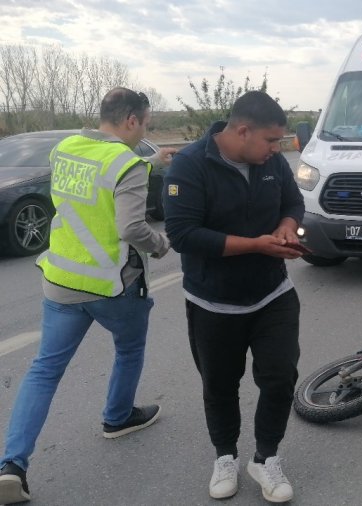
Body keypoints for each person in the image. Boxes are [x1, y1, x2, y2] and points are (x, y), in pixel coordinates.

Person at [0, 87, 173, 504]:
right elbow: (131, 227)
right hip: (112, 286)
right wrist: (160, 244)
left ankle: (11, 467)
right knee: (129, 349)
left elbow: (102, 172)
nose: (144, 130)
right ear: (132, 120)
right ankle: (117, 417)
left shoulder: (66, 148)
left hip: (60, 280)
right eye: (145, 123)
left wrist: (151, 162)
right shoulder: (126, 165)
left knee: (43, 370)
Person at [163, 91, 304, 503]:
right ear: (242, 131)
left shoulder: (272, 163)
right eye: (271, 140)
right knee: (220, 385)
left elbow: (294, 201)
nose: (277, 150)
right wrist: (257, 244)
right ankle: (225, 456)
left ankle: (266, 458)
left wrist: (287, 225)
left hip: (273, 293)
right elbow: (183, 235)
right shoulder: (190, 166)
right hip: (213, 302)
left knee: (280, 378)